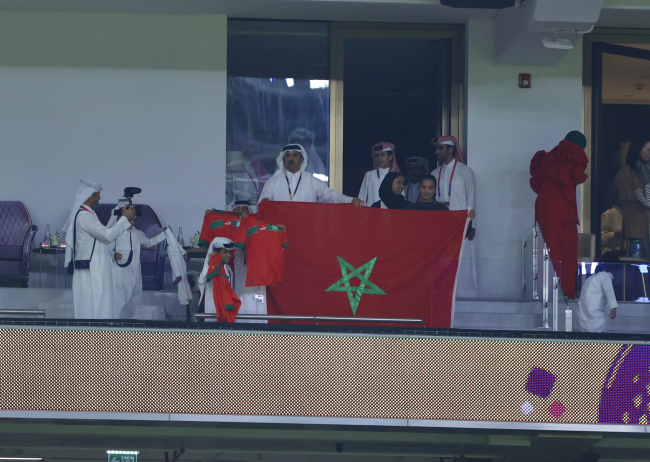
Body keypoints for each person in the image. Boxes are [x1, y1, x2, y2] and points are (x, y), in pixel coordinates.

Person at [63, 180, 136, 319]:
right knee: (93, 308)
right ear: (91, 196)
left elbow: (102, 238)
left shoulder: (89, 214)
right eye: (98, 195)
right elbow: (107, 236)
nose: (100, 198)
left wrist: (125, 222)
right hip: (92, 271)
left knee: (101, 306)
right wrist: (124, 219)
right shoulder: (84, 216)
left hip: (96, 268)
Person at [530, 131, 589, 300]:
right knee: (564, 247)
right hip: (563, 203)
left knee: (545, 245)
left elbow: (536, 182)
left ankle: (545, 290)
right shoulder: (575, 154)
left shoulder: (547, 157)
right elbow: (577, 177)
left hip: (544, 203)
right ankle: (564, 291)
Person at [431, 135, 478, 297]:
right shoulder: (434, 173)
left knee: (462, 259)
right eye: (436, 148)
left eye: (440, 148)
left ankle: (465, 294)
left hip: (460, 225)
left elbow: (471, 200)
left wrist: (471, 225)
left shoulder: (465, 171)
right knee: (440, 259)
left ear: (451, 149)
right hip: (439, 226)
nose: (437, 152)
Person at [107, 208, 168, 319]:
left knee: (134, 297)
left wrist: (164, 234)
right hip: (120, 272)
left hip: (135, 272)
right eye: (130, 220)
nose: (132, 223)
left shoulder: (136, 233)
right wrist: (113, 255)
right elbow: (105, 250)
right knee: (120, 299)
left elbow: (149, 242)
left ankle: (128, 322)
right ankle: (116, 323)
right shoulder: (114, 233)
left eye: (133, 220)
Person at [259, 143, 364, 206]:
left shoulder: (311, 180)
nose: (291, 159)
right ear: (283, 160)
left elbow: (331, 195)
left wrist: (350, 200)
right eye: (287, 156)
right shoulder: (273, 182)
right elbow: (261, 204)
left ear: (302, 159)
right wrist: (264, 202)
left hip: (305, 226)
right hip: (280, 229)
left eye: (295, 155)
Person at [226, 201, 267, 324]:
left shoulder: (261, 271)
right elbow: (238, 253)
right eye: (238, 210)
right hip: (242, 313)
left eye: (244, 209)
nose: (241, 212)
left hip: (258, 311)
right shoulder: (240, 268)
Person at [616, 138, 650, 259]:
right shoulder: (627, 170)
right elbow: (623, 195)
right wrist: (641, 195)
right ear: (638, 149)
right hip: (637, 223)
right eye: (648, 150)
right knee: (641, 261)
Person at [198, 237, 241, 323]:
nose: (228, 255)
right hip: (213, 312)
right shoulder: (212, 267)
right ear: (216, 252)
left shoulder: (229, 269)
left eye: (230, 252)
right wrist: (209, 263)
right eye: (225, 252)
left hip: (226, 312)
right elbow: (201, 281)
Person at [578, 251, 620, 333]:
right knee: (598, 332)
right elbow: (609, 291)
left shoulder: (591, 278)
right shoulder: (606, 276)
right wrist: (613, 307)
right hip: (596, 315)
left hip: (584, 315)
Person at [228, 136, 271, 202]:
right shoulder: (234, 165)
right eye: (245, 145)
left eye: (250, 146)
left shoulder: (258, 166)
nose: (248, 148)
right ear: (241, 147)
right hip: (237, 204)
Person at [358, 142, 400, 206]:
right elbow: (362, 198)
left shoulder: (396, 176)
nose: (379, 158)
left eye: (382, 155)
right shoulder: (369, 175)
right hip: (372, 211)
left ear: (390, 157)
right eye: (377, 156)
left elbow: (401, 198)